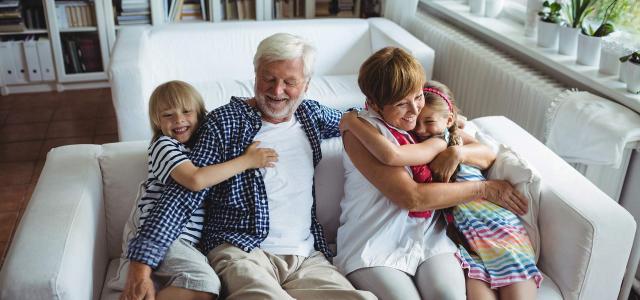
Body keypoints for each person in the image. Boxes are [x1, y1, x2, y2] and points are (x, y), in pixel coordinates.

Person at [122, 34, 376, 300]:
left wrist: (416, 124)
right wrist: (141, 267)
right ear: (255, 75)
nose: (277, 91)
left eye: (289, 82)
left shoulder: (310, 115)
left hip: (306, 258)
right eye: (269, 78)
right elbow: (181, 196)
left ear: (306, 85)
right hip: (241, 251)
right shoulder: (224, 123)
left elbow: (360, 118)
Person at [335, 46, 529, 300]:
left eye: (417, 97)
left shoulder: (425, 124)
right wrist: (485, 188)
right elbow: (411, 197)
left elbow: (486, 153)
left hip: (430, 237)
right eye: (401, 104)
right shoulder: (362, 132)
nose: (414, 111)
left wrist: (457, 153)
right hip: (374, 240)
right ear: (374, 105)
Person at [117, 80, 278, 300]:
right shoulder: (164, 145)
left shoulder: (201, 146)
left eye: (186, 112)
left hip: (188, 241)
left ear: (200, 113)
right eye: (168, 115)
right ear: (156, 120)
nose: (179, 120)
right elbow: (195, 180)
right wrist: (247, 161)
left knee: (210, 287)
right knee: (204, 285)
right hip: (165, 234)